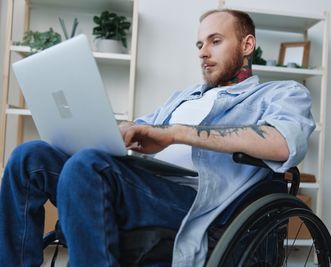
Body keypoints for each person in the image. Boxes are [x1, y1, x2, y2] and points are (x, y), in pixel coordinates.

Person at [0, 9, 315, 267]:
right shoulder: (185, 97)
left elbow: (283, 142)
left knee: (87, 167)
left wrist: (176, 134)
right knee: (29, 158)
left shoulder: (281, 93)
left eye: (215, 41)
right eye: (199, 45)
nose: (203, 52)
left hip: (201, 202)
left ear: (247, 45)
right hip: (145, 184)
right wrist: (122, 130)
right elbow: (145, 126)